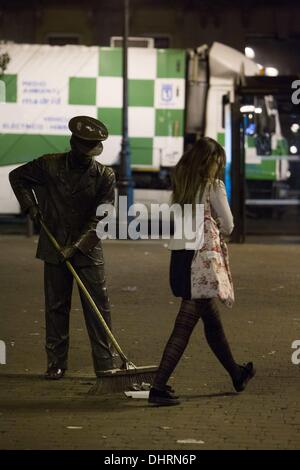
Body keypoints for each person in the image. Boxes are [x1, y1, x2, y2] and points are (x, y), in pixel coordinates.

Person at [148, 137, 255, 406]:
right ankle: (157, 387)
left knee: (212, 322)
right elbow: (229, 224)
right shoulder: (213, 187)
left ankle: (236, 373)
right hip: (201, 262)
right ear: (210, 161)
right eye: (218, 161)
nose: (219, 167)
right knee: (183, 327)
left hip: (181, 257)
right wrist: (219, 225)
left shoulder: (183, 184)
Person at [9, 115, 117, 379]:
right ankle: (56, 362)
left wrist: (77, 247)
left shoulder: (104, 175)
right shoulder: (48, 165)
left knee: (97, 306)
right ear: (72, 143)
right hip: (54, 244)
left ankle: (105, 364)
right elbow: (17, 177)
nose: (86, 156)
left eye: (91, 151)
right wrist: (31, 206)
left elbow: (102, 216)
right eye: (83, 150)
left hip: (88, 250)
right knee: (56, 307)